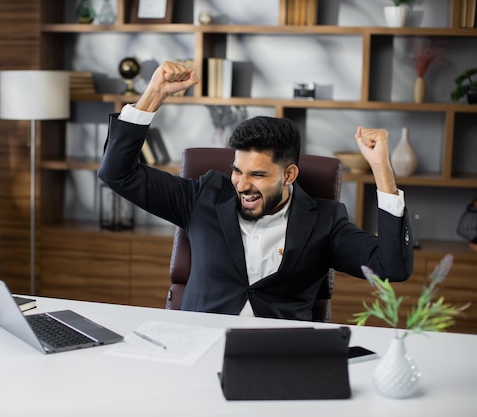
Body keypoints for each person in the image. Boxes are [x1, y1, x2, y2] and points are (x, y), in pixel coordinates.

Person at [98, 61, 414, 321]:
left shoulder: (325, 221)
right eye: (237, 171)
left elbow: (392, 267)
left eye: (258, 175)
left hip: (280, 356)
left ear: (289, 174)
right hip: (198, 343)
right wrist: (153, 95)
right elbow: (117, 173)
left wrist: (382, 171)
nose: (243, 184)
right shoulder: (203, 196)